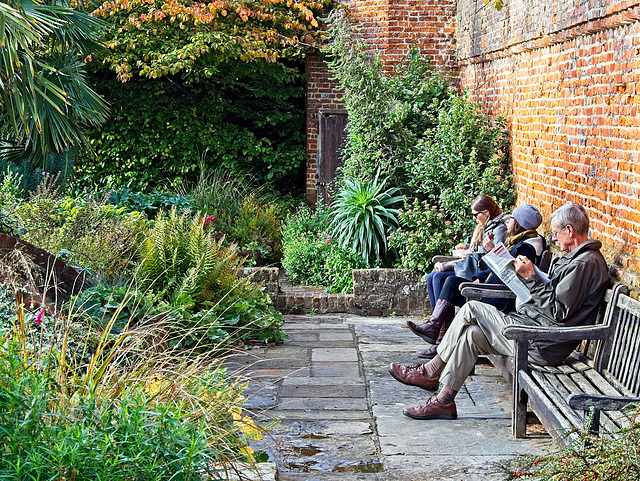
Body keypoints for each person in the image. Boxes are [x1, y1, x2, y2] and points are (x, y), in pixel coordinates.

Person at [388, 202, 610, 420]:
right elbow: (555, 301)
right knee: (472, 334)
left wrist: (531, 277)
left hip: (542, 342)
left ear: (569, 230)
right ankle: (444, 401)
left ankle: (429, 372)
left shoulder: (584, 264)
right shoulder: (578, 259)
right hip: (535, 330)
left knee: (471, 308)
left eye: (555, 233)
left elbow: (558, 312)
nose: (553, 238)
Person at [409, 204, 546, 359]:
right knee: (447, 281)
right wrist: (479, 277)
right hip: (490, 287)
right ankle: (436, 332)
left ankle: (437, 335)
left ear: (520, 224)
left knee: (451, 282)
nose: (508, 222)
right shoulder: (519, 241)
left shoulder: (527, 247)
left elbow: (513, 275)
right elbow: (499, 268)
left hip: (499, 298)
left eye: (512, 219)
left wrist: (493, 251)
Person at [426, 194, 507, 317]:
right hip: (472, 267)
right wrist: (468, 247)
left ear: (486, 212)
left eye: (476, 215)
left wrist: (489, 250)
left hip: (479, 272)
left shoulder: (499, 229)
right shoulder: (485, 226)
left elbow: (500, 257)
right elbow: (480, 247)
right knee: (431, 277)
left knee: (438, 278)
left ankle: (439, 321)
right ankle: (435, 319)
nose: (474, 218)